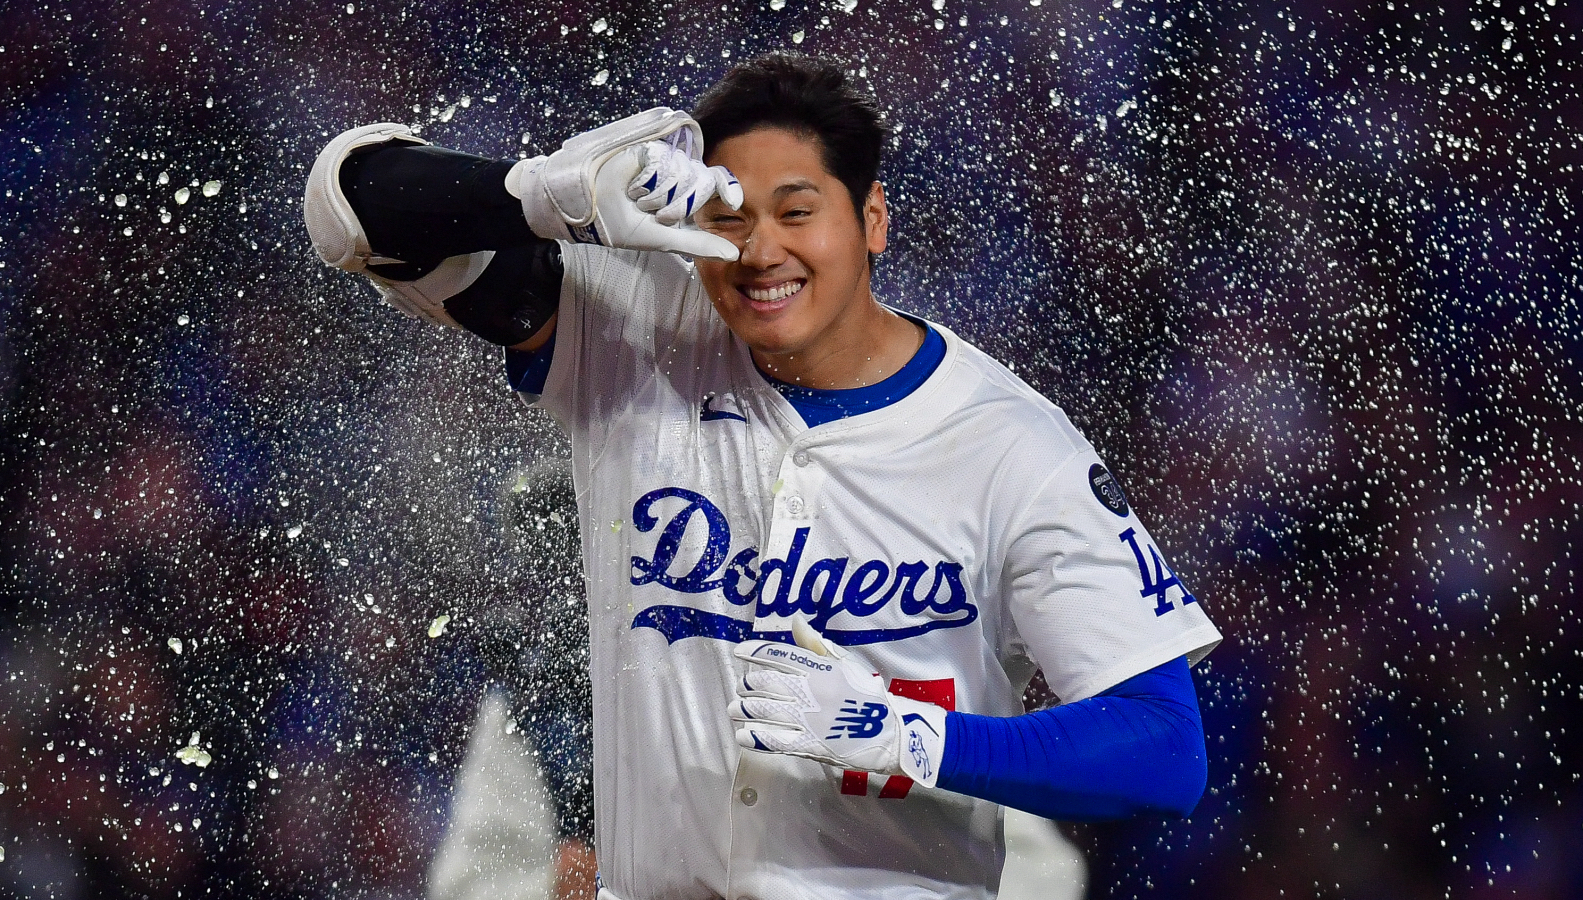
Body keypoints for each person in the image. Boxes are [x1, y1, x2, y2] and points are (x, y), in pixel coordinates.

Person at [304, 53, 1222, 900]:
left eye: (795, 211)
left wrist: (894, 733)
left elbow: (1161, 752)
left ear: (870, 220)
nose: (759, 249)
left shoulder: (1012, 448)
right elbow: (346, 207)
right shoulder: (634, 336)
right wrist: (551, 195)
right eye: (729, 216)